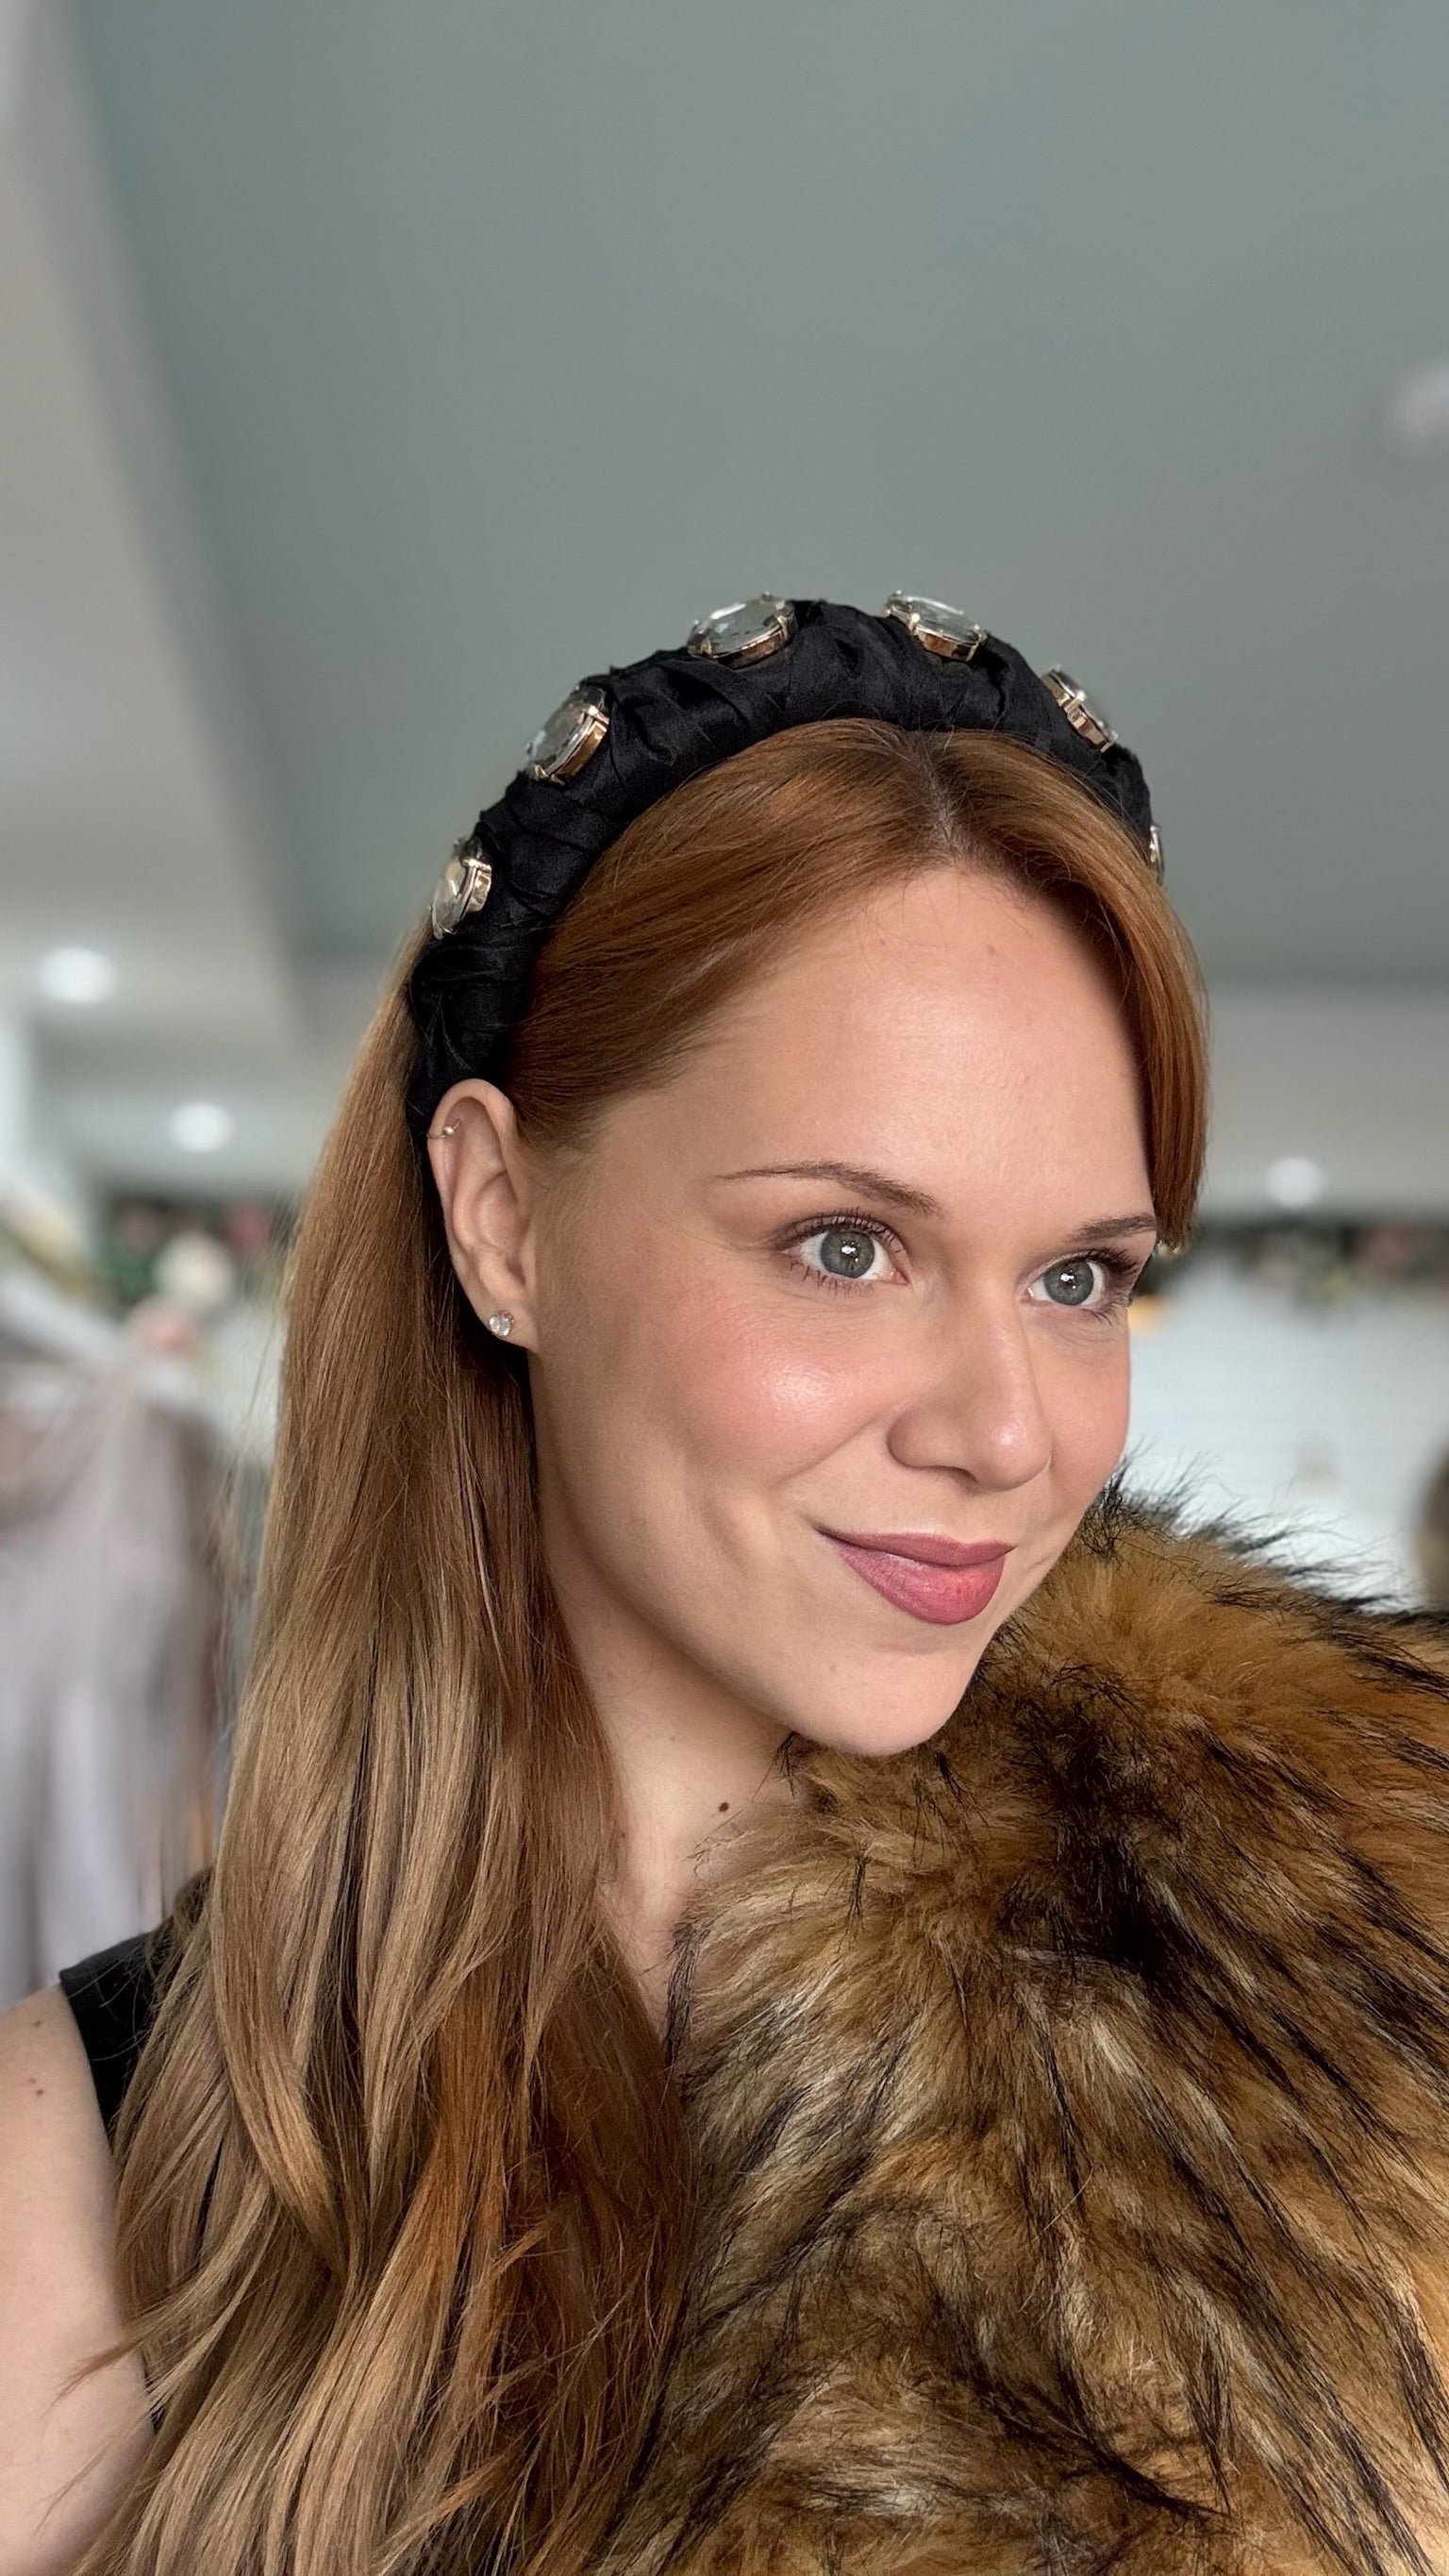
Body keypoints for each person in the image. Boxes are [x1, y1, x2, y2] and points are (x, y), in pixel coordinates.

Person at [4, 594, 1449, 2576]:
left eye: (1079, 1277)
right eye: (848, 1246)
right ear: (503, 1220)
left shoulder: (1350, 2002)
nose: (1007, 1430)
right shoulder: (85, 2173)